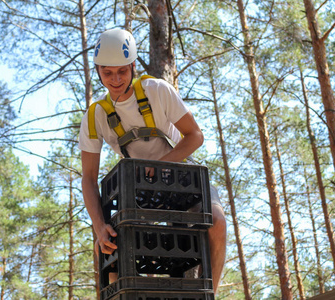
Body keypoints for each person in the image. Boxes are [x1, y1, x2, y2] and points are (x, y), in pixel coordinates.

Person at [78, 28, 226, 294]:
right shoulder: (95, 115)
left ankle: (208, 293)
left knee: (217, 221)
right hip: (139, 187)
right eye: (108, 73)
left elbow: (195, 136)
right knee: (110, 243)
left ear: (133, 66)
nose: (115, 79)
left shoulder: (157, 91)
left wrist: (162, 164)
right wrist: (99, 227)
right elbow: (88, 178)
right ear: (98, 70)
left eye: (122, 71)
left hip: (182, 176)